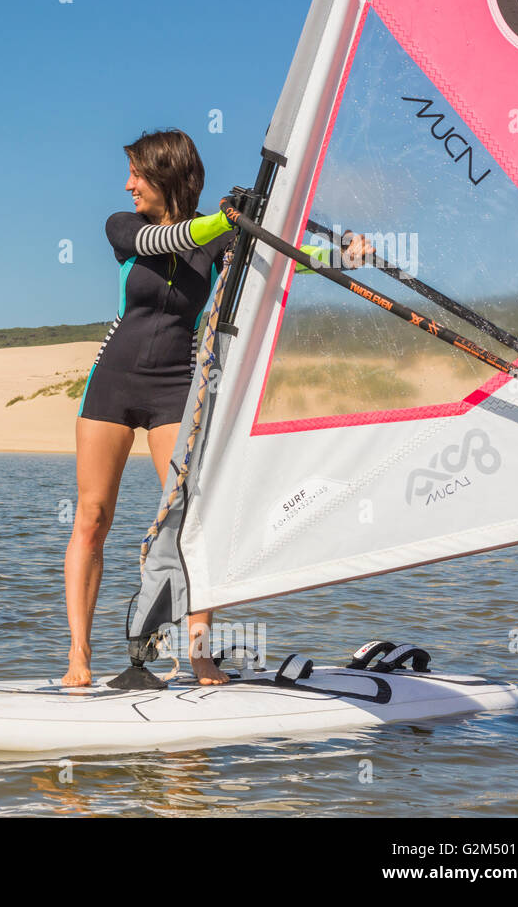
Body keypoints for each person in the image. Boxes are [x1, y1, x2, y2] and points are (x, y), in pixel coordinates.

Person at [62, 130, 369, 688]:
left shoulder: (222, 238)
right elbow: (172, 240)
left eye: (137, 173)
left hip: (175, 387)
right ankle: (79, 659)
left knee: (190, 524)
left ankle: (200, 656)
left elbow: (283, 260)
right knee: (92, 519)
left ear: (166, 175)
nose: (128, 184)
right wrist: (231, 221)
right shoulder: (125, 228)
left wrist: (344, 254)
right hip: (111, 385)